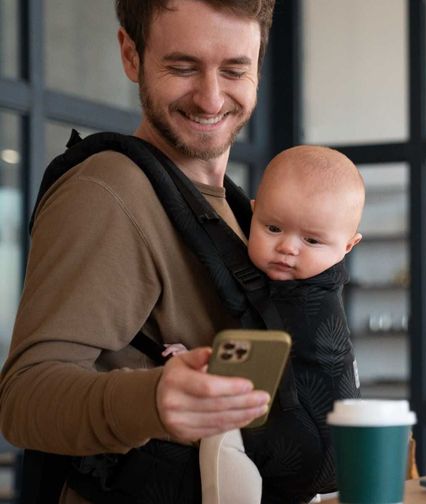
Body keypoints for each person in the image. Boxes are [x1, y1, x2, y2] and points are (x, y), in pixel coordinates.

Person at [0, 1, 276, 502]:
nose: (211, 97)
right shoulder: (107, 192)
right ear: (131, 54)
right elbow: (24, 399)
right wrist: (152, 400)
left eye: (235, 69)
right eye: (183, 66)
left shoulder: (236, 212)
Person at [164, 145, 366, 504]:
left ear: (348, 247)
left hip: (304, 443)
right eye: (273, 228)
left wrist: (199, 360)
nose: (288, 247)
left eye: (312, 240)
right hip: (341, 450)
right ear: (251, 214)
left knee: (221, 429)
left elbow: (255, 353)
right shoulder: (316, 288)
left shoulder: (301, 301)